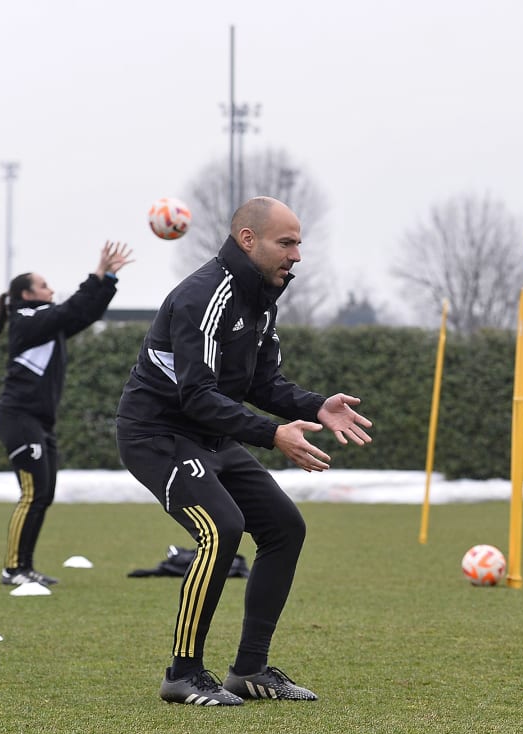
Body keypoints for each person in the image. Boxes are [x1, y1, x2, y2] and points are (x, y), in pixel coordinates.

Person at [116, 196, 373, 707]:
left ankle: (249, 670)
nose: (297, 254)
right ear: (248, 240)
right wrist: (273, 435)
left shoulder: (261, 296)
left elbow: (261, 382)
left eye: (299, 243)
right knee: (221, 529)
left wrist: (318, 405)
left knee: (284, 527)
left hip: (209, 434)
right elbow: (197, 394)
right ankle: (182, 673)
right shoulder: (203, 296)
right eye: (287, 242)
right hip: (158, 435)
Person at [0, 242, 134, 587]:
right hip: (18, 418)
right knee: (32, 493)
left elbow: (86, 313)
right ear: (26, 294)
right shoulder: (25, 319)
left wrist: (108, 279)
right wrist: (96, 274)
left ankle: (25, 566)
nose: (51, 289)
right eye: (44, 285)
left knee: (44, 493)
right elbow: (68, 311)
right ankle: (13, 569)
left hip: (39, 423)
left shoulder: (48, 324)